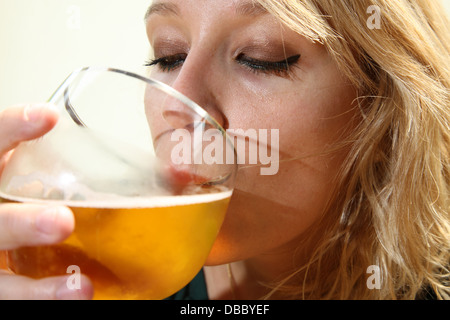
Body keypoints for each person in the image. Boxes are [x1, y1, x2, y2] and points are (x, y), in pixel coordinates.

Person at [0, 0, 449, 300]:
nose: (182, 100)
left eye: (262, 57)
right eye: (169, 55)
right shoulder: (90, 259)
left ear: (383, 111)